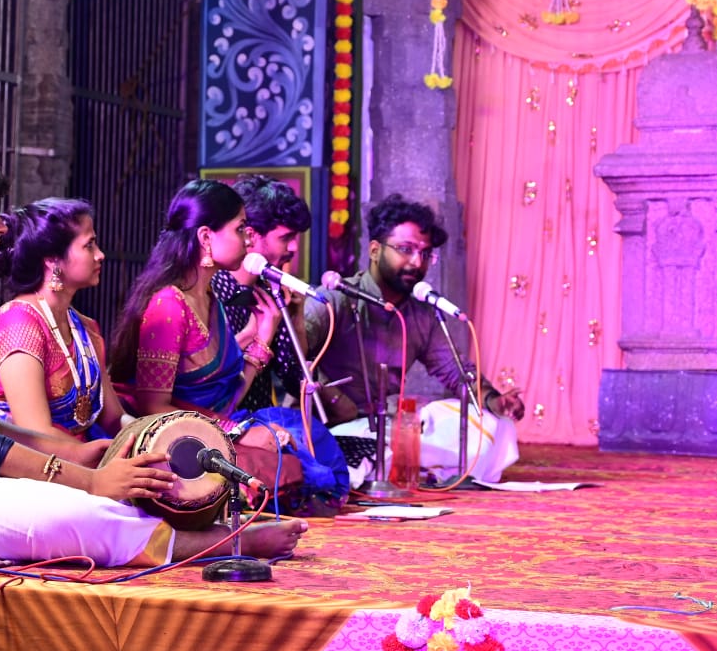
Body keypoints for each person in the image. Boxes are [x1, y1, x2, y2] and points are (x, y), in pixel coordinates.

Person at [0, 147, 306, 566]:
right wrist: (89, 478)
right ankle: (211, 546)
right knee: (70, 512)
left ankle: (192, 538)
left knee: (94, 500)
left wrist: (72, 454)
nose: (0, 226)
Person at [109, 179, 347, 510]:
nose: (248, 239)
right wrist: (236, 432)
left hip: (212, 427)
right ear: (206, 237)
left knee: (303, 452)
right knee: (283, 467)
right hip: (172, 441)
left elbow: (226, 398)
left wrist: (263, 338)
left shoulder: (209, 299)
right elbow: (152, 409)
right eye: (240, 229)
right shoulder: (168, 306)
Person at [304, 193, 524, 484]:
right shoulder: (335, 299)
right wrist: (331, 395)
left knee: (494, 426)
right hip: (329, 427)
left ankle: (393, 465)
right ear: (374, 250)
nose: (416, 262)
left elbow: (457, 374)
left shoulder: (421, 315)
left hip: (382, 427)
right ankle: (383, 466)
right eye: (405, 249)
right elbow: (290, 354)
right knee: (378, 449)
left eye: (425, 253)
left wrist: (494, 400)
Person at [0, 198, 125, 439]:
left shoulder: (85, 328)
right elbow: (36, 436)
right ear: (52, 259)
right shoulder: (18, 324)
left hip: (80, 460)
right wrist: (102, 467)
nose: (100, 255)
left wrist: (154, 434)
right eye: (89, 245)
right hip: (28, 470)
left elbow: (113, 418)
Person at [210, 174, 313, 415]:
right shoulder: (212, 292)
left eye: (295, 237)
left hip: (266, 423)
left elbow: (297, 382)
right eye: (286, 237)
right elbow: (207, 385)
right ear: (251, 235)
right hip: (222, 428)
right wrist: (255, 337)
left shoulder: (269, 293)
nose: (294, 248)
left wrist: (295, 320)